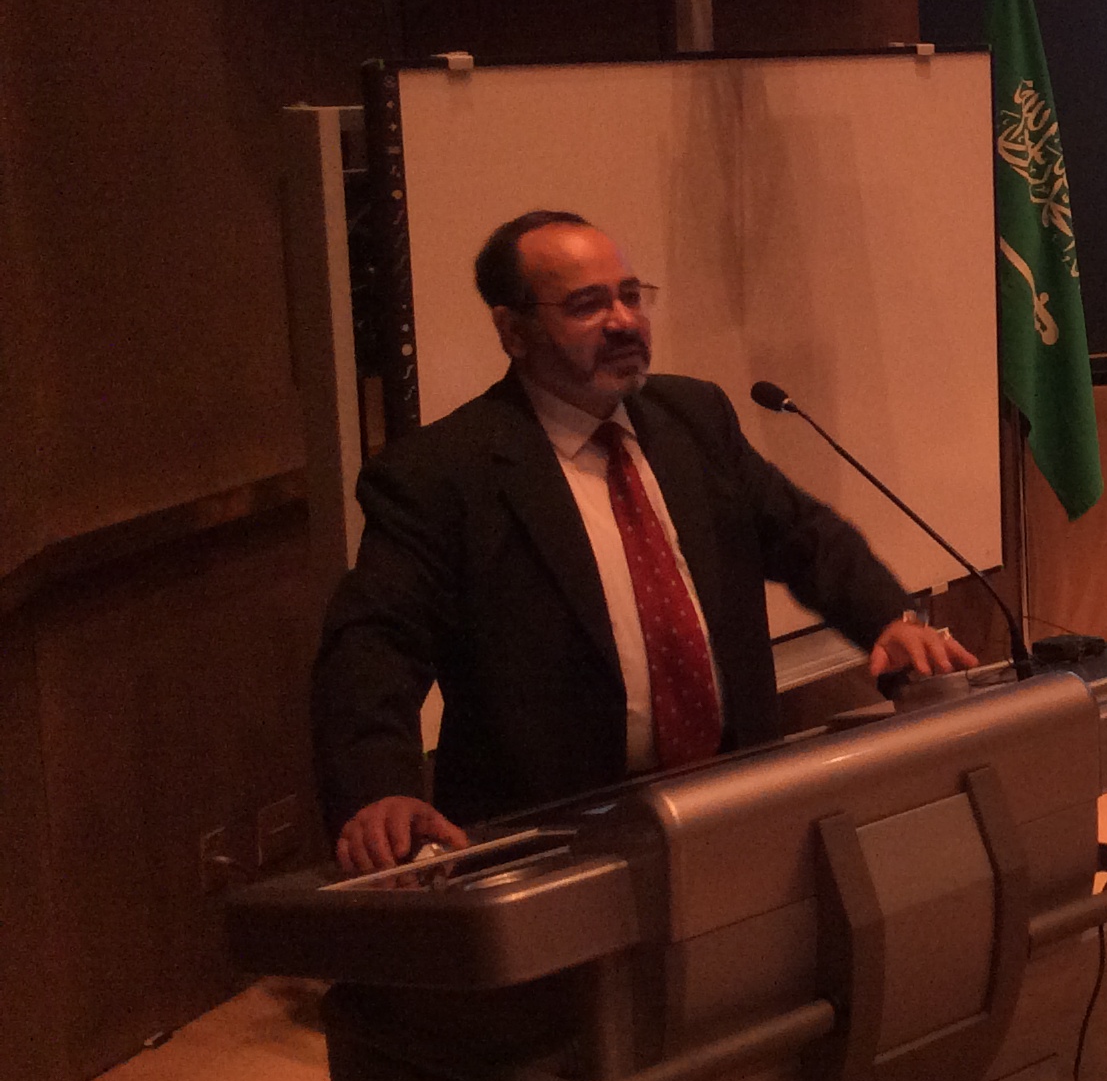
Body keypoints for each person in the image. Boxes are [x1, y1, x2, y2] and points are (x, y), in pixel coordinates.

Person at [313, 209, 974, 873]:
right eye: (587, 305)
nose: (624, 322)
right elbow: (375, 643)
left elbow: (806, 537)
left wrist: (890, 619)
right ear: (513, 331)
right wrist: (379, 789)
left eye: (630, 296)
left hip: (735, 805)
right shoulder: (443, 473)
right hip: (558, 847)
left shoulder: (694, 417)